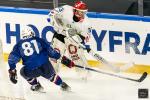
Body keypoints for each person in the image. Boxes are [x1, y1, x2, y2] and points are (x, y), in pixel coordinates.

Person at [8, 26, 73, 92]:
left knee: (22, 72)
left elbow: (11, 60)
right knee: (52, 76)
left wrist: (12, 72)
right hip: (45, 64)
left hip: (32, 68)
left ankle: (37, 86)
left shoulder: (18, 45)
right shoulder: (38, 39)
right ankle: (63, 85)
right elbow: (51, 52)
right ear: (31, 33)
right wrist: (59, 57)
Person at [47, 1, 92, 74]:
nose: (83, 15)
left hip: (73, 39)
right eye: (81, 12)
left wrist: (76, 38)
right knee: (55, 54)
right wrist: (57, 25)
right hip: (60, 35)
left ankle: (84, 74)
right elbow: (50, 15)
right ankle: (52, 74)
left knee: (75, 55)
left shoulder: (87, 23)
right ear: (75, 10)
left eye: (84, 12)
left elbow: (86, 38)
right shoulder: (66, 9)